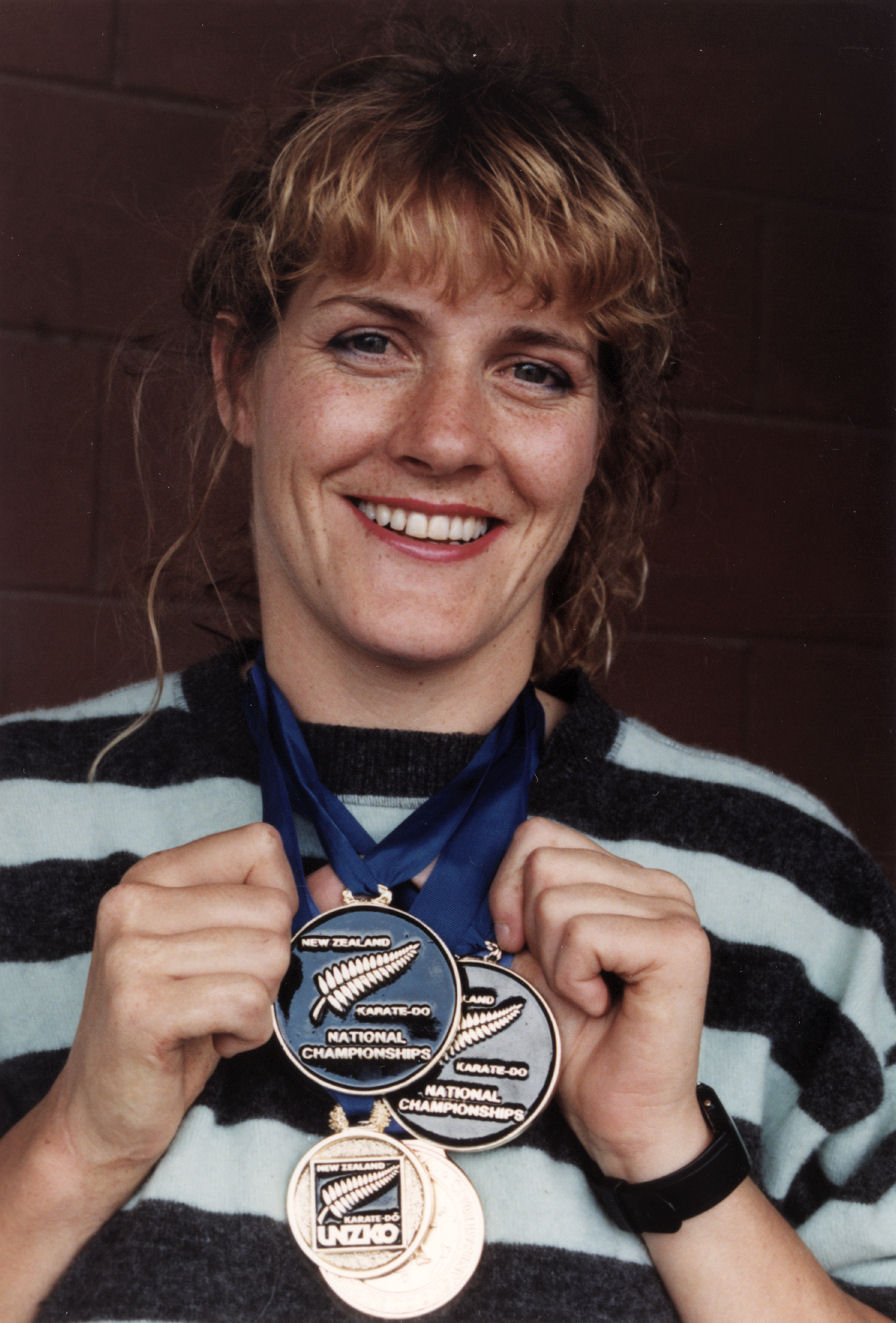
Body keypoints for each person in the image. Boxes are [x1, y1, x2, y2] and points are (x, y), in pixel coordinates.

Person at [1, 26, 893, 1323]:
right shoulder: (14, 820)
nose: (445, 438)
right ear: (240, 375)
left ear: (598, 438)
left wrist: (676, 1161)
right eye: (372, 341)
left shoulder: (792, 895)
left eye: (534, 369)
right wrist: (74, 1146)